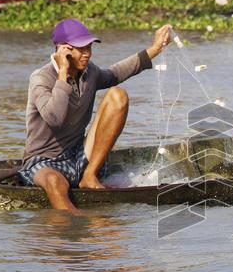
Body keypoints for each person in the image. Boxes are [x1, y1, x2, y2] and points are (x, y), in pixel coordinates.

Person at [19, 18, 172, 211]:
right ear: (63, 50)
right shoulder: (41, 78)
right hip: (43, 162)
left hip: (78, 155)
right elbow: (54, 118)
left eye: (89, 48)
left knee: (118, 95)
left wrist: (155, 49)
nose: (87, 54)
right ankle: (78, 228)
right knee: (55, 182)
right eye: (81, 49)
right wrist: (63, 74)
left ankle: (89, 176)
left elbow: (116, 73)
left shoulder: (89, 72)